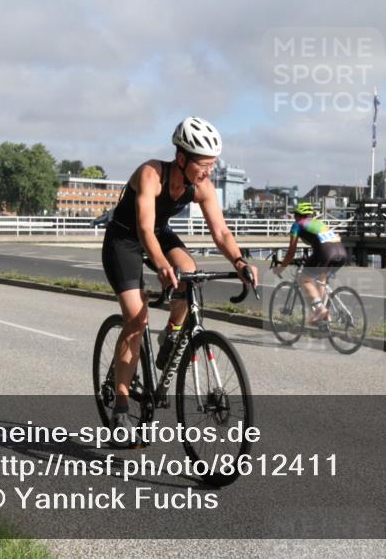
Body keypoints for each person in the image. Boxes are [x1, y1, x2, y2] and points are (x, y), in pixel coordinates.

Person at [101, 116, 257, 443]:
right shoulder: (151, 175)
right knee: (136, 318)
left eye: (213, 164)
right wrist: (159, 264)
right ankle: (120, 405)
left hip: (161, 233)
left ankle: (172, 334)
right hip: (124, 241)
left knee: (190, 273)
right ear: (182, 159)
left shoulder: (201, 186)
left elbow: (220, 231)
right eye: (203, 165)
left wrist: (240, 261)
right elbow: (143, 229)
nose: (208, 171)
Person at [273, 201, 347, 323]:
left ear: (296, 215)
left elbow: (291, 252)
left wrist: (281, 268)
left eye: (294, 215)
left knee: (304, 279)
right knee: (321, 280)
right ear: (310, 214)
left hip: (325, 252)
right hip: (342, 252)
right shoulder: (318, 223)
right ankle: (324, 317)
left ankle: (320, 310)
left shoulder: (297, 225)